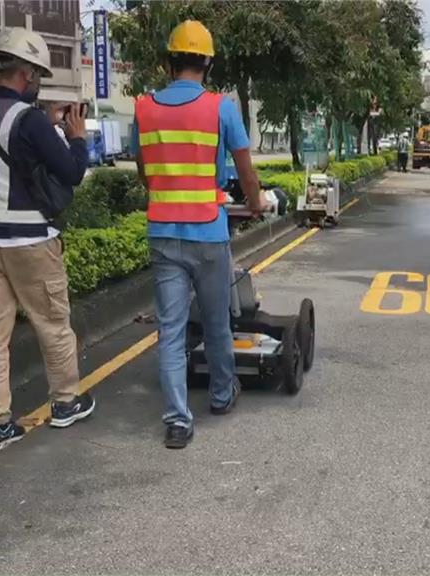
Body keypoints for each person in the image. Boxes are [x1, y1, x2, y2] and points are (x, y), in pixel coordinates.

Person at [0, 28, 95, 452]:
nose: (38, 82)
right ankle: (66, 402)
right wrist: (75, 137)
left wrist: (44, 126)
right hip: (31, 240)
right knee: (52, 323)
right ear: (26, 73)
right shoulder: (30, 120)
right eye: (37, 74)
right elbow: (71, 172)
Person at [132, 20, 266, 449]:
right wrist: (256, 200)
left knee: (170, 330)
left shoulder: (144, 107)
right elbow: (244, 167)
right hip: (208, 233)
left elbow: (144, 171)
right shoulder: (221, 107)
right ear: (207, 62)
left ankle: (176, 420)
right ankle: (223, 396)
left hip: (163, 234)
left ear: (170, 61)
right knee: (216, 323)